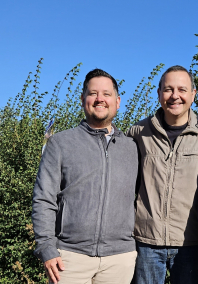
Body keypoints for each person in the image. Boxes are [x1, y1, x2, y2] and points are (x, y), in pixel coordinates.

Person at [32, 69, 138, 284]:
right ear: (83, 100)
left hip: (120, 259)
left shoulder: (132, 148)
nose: (100, 99)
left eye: (106, 94)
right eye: (93, 93)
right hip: (69, 257)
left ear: (117, 101)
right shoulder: (60, 143)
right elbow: (44, 198)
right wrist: (46, 247)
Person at [127, 65, 198, 284]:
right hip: (146, 242)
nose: (175, 96)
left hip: (191, 242)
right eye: (168, 89)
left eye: (182, 89)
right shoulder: (138, 132)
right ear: (159, 94)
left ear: (193, 95)